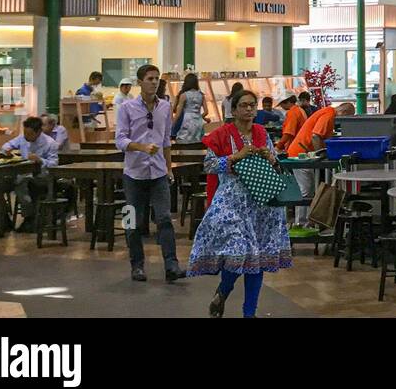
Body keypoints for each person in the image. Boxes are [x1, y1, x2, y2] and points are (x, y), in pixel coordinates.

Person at [188, 88, 291, 318]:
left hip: (260, 203)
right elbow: (208, 166)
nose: (248, 109)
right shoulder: (222, 134)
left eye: (252, 105)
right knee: (238, 251)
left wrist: (270, 158)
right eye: (243, 105)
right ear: (233, 110)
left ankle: (249, 313)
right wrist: (236, 157)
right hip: (231, 203)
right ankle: (224, 289)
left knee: (257, 256)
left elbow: (276, 163)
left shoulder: (262, 132)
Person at [115, 63, 182, 283]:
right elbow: (120, 140)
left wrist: (169, 168)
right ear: (140, 82)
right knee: (133, 220)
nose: (154, 82)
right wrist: (141, 147)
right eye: (150, 79)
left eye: (156, 79)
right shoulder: (126, 108)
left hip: (159, 174)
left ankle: (171, 265)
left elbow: (165, 141)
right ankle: (136, 265)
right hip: (134, 174)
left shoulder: (165, 107)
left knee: (164, 218)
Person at [286, 101, 355, 218]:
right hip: (300, 154)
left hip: (304, 154)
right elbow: (316, 135)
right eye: (348, 117)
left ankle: (307, 221)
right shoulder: (329, 114)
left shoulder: (328, 113)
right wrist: (321, 155)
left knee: (309, 188)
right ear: (343, 112)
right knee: (306, 190)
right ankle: (301, 222)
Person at [3, 115, 61, 231]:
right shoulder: (22, 138)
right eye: (25, 133)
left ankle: (30, 217)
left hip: (42, 176)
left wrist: (40, 160)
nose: (26, 136)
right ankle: (19, 218)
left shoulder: (50, 143)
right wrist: (8, 150)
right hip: (23, 173)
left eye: (30, 134)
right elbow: (6, 146)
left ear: (39, 132)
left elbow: (54, 164)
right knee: (16, 182)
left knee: (22, 183)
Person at [172, 72, 207, 143]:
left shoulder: (184, 95)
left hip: (187, 120)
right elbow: (206, 111)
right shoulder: (201, 95)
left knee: (184, 140)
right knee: (197, 141)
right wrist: (200, 116)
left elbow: (178, 113)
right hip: (198, 121)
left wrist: (172, 124)